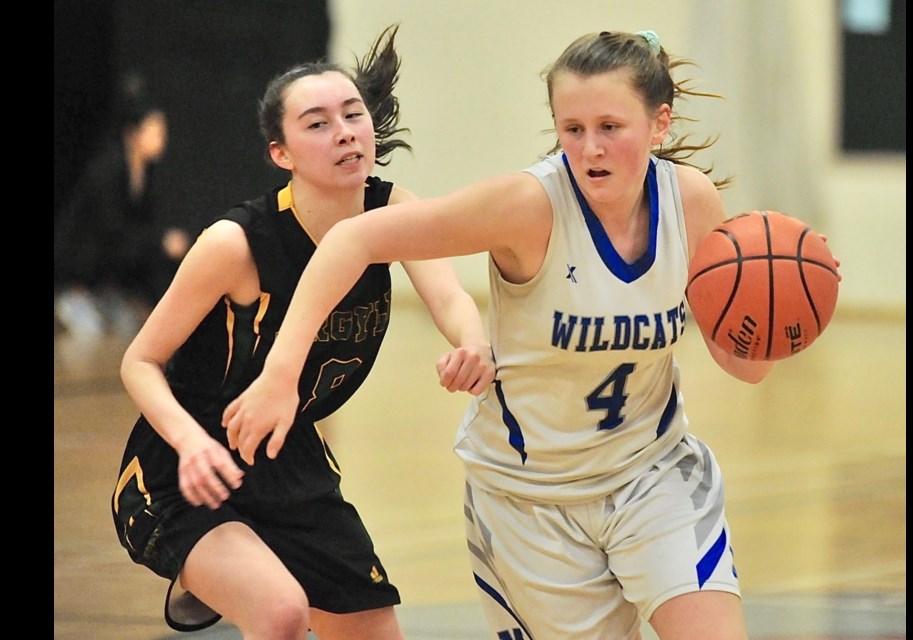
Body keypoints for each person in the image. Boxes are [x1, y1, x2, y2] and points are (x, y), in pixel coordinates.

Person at [222, 29, 842, 640]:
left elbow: (744, 367)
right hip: (530, 499)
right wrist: (280, 374)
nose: (590, 148)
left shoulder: (691, 202)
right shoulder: (527, 205)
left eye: (610, 127)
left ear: (660, 125)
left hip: (652, 475)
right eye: (572, 129)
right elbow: (354, 239)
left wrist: (779, 319)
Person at [109, 24, 495, 640]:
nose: (344, 131)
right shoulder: (234, 244)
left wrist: (471, 343)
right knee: (282, 613)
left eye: (352, 114)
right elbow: (140, 362)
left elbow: (449, 295)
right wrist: (191, 443)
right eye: (317, 123)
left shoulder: (391, 210)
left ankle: (235, 561)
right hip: (185, 466)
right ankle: (206, 565)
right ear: (280, 154)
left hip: (290, 457)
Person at [54, 73, 191, 338]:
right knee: (90, 334)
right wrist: (161, 241)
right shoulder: (108, 171)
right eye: (155, 130)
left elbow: (139, 231)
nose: (162, 138)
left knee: (129, 327)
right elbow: (111, 231)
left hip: (109, 279)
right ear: (133, 133)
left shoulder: (145, 174)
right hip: (78, 272)